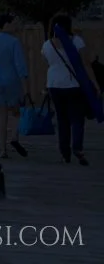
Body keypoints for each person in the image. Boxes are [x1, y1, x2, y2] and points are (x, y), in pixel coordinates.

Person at [42, 14, 97, 165]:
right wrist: (95, 85)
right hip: (73, 84)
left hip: (54, 84)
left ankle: (64, 152)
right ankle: (77, 148)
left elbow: (48, 62)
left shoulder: (47, 45)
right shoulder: (76, 41)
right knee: (77, 119)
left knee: (62, 119)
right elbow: (87, 63)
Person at [0, 13, 30, 158]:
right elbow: (20, 66)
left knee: (1, 115)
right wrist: (26, 88)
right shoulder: (14, 42)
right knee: (17, 111)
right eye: (14, 23)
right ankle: (14, 137)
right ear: (7, 24)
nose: (16, 26)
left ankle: (3, 149)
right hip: (13, 80)